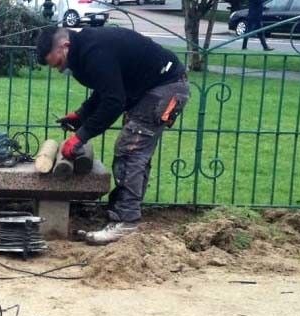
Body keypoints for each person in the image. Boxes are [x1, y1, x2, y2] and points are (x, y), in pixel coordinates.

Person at [36, 25, 189, 246]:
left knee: (130, 150)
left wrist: (81, 136)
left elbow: (114, 102)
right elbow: (106, 88)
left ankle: (126, 223)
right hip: (151, 88)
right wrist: (80, 115)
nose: (60, 70)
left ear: (65, 45)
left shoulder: (93, 52)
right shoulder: (83, 52)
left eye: (59, 64)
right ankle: (122, 213)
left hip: (166, 87)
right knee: (134, 151)